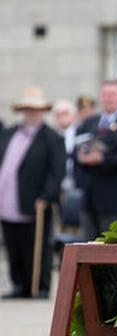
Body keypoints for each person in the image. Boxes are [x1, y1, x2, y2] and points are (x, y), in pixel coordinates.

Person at [0, 86, 66, 299]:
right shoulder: (9, 133)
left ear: (42, 112)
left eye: (35, 109)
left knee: (37, 246)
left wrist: (47, 196)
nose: (31, 113)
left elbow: (57, 171)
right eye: (27, 109)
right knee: (13, 245)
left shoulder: (51, 138)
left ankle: (39, 285)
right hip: (8, 198)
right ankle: (19, 284)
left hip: (35, 201)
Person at [74, 80, 117, 240]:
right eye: (105, 94)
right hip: (90, 197)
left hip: (115, 198)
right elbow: (75, 150)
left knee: (112, 247)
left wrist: (103, 159)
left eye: (112, 94)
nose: (108, 98)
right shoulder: (90, 122)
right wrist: (82, 157)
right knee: (89, 245)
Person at [52, 99, 80, 193]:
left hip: (76, 183)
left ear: (74, 115)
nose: (61, 117)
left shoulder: (80, 133)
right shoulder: (51, 136)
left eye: (65, 113)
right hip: (56, 186)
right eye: (57, 115)